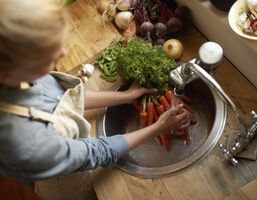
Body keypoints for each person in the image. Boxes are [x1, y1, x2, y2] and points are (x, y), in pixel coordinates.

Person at [0, 0, 190, 199]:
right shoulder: (25, 141)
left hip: (69, 155)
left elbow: (66, 97)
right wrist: (158, 128)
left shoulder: (17, 74)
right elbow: (97, 152)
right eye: (49, 54)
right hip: (66, 185)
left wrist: (126, 96)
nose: (63, 53)